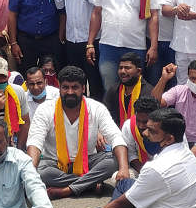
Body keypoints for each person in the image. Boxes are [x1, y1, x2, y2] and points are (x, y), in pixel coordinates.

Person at [64, 108, 196, 208]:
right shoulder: (187, 153)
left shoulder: (158, 168)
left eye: (151, 131)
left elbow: (123, 204)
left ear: (169, 139)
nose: (144, 133)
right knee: (125, 183)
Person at [26, 65, 128, 198]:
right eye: (65, 87)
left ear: (83, 89)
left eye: (75, 87)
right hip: (55, 163)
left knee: (114, 161)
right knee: (39, 171)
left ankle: (67, 189)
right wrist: (30, 172)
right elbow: (35, 142)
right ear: (59, 88)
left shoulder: (96, 108)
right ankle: (90, 184)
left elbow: (116, 137)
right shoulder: (45, 109)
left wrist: (124, 168)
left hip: (88, 161)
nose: (69, 92)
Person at [53, 0, 103, 97]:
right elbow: (59, 4)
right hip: (72, 40)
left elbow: (98, 3)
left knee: (95, 83)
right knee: (76, 84)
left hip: (92, 41)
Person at [8, 0, 61, 71]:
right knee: (26, 75)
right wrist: (13, 43)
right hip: (26, 41)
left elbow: (63, 13)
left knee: (51, 75)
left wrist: (60, 39)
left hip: (50, 40)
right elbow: (12, 15)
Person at [152, 59, 196, 144]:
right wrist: (163, 79)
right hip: (179, 140)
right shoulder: (179, 90)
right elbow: (155, 103)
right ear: (188, 76)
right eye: (192, 78)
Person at [103, 52, 153, 126]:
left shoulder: (148, 92)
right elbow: (105, 115)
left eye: (127, 68)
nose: (122, 71)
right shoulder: (113, 90)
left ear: (138, 71)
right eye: (120, 68)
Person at [119, 96, 160, 172]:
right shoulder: (129, 126)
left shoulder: (167, 128)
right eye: (138, 121)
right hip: (141, 170)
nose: (141, 126)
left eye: (145, 122)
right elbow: (131, 155)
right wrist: (144, 172)